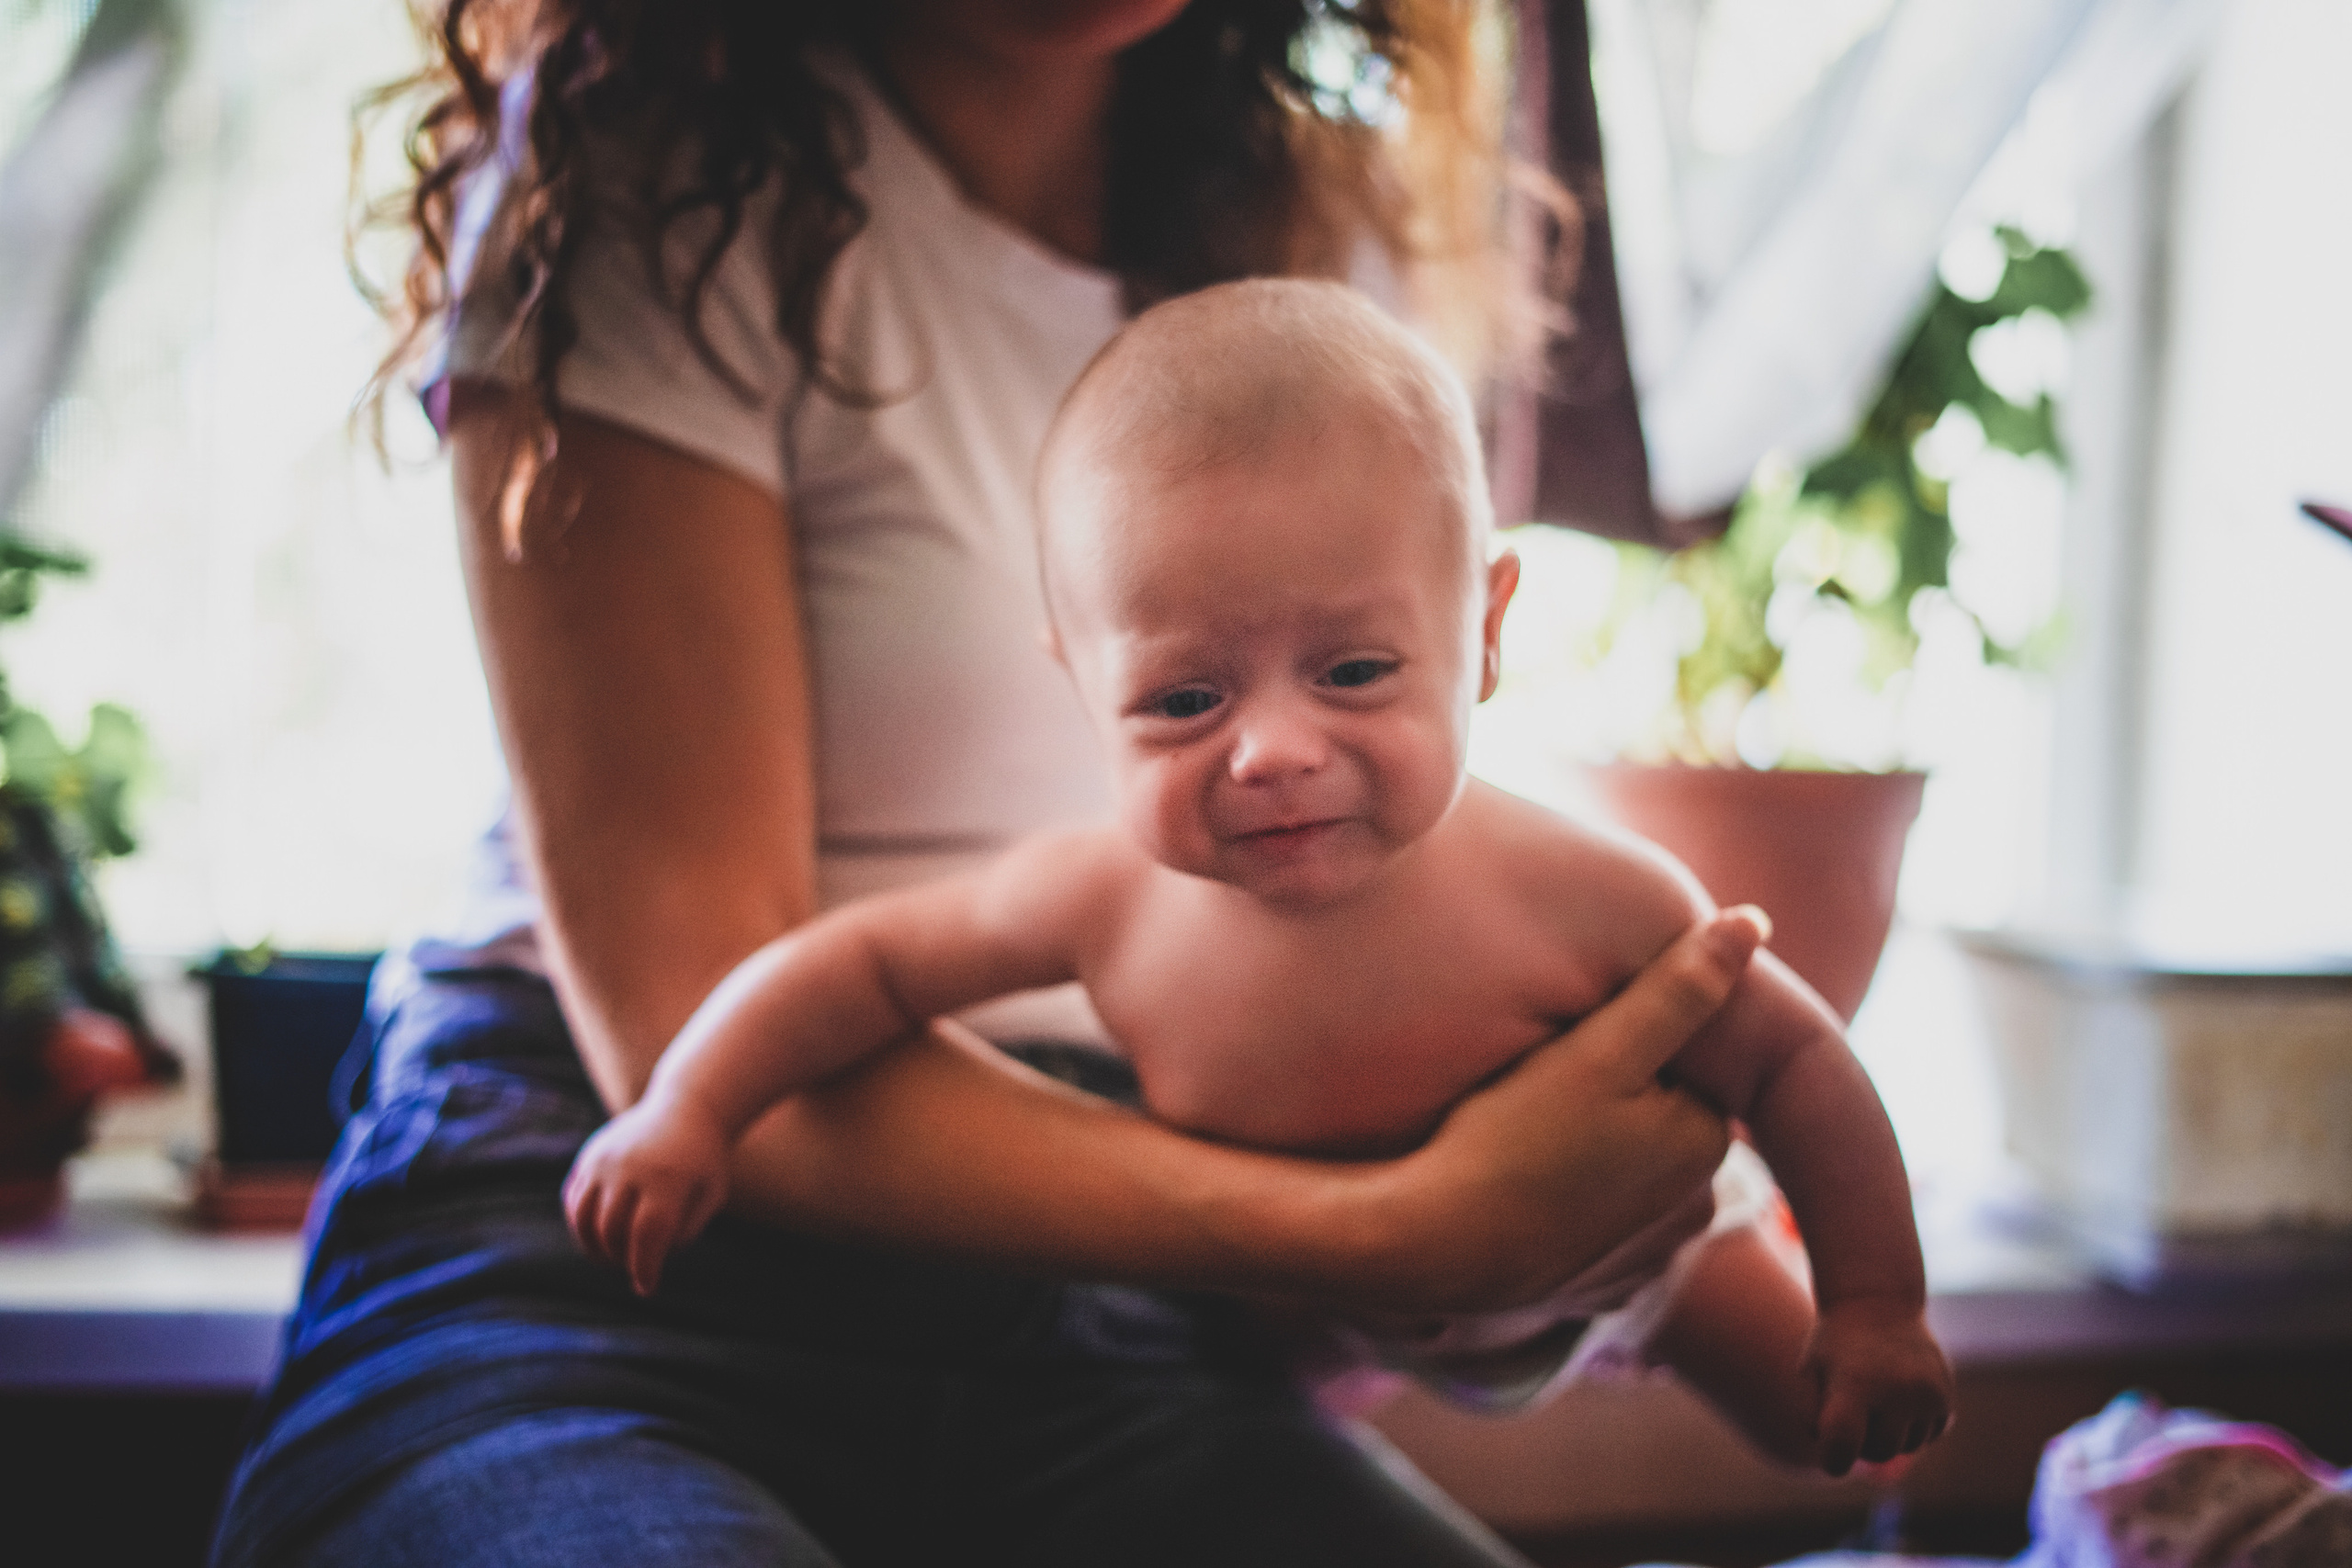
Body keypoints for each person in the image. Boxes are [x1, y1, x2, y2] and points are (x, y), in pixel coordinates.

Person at [213, 6, 1770, 1565]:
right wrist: (1391, 1228)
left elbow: (1429, 974)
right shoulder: (661, 169)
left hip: (1110, 1350)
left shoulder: (1316, 241)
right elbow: (691, 1023)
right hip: (593, 1278)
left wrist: (1692, 1286)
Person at [564, 278, 1957, 1473]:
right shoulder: (1097, 899)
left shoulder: (1590, 894)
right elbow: (859, 968)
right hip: (1276, 1294)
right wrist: (690, 1107)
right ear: (1081, 683)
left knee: (1818, 1419)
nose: (1274, 753)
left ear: (1483, 632)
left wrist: (1879, 1304)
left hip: (1632, 1243)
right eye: (1183, 699)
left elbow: (1796, 1063)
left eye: (1353, 672)